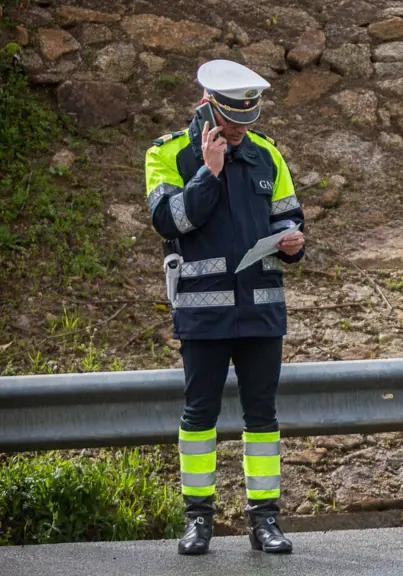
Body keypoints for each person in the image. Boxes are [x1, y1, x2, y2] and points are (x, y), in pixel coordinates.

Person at [144, 60, 305, 556]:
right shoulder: (167, 154)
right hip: (203, 312)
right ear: (210, 106)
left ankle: (265, 523)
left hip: (261, 309)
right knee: (199, 416)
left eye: (246, 123)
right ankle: (198, 522)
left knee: (262, 416)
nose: (239, 131)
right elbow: (169, 221)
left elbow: (289, 216)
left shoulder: (266, 155)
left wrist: (293, 243)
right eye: (233, 122)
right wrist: (209, 174)